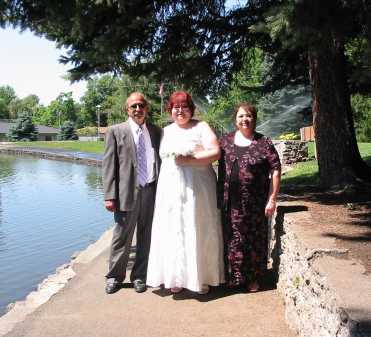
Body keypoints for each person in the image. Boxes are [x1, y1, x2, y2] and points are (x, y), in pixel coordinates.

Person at [146, 91, 225, 295]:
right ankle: (176, 276)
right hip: (171, 190)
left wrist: (190, 160)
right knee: (174, 229)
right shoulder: (165, 131)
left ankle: (203, 277)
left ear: (191, 110)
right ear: (170, 109)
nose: (180, 111)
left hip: (198, 188)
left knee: (198, 227)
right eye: (176, 107)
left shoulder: (202, 127)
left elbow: (215, 152)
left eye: (184, 107)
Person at [217, 102, 281, 293]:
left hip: (254, 205)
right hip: (229, 203)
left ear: (254, 119)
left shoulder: (264, 142)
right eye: (241, 116)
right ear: (235, 120)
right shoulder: (225, 141)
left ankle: (252, 278)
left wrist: (272, 199)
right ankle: (233, 278)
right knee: (232, 240)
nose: (245, 119)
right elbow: (207, 156)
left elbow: (275, 171)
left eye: (249, 116)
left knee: (253, 241)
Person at [102, 92, 162, 294]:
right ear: (127, 109)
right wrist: (109, 195)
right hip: (126, 194)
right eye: (134, 106)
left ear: (146, 108)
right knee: (121, 237)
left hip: (151, 191)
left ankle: (139, 276)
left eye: (141, 105)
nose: (138, 109)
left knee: (146, 237)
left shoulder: (156, 131)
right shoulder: (115, 131)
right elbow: (109, 165)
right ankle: (114, 277)